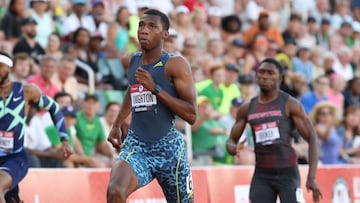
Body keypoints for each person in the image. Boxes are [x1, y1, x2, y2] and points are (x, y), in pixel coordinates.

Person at [107, 9, 197, 203]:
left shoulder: (176, 64)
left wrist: (155, 88)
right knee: (115, 191)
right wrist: (117, 124)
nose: (144, 30)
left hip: (170, 150)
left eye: (152, 26)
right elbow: (132, 90)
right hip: (136, 147)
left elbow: (191, 115)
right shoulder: (129, 61)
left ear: (165, 34)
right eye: (141, 25)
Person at [226, 58, 322, 203]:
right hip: (262, 175)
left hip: (287, 173)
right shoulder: (247, 108)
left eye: (270, 73)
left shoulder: (290, 104)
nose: (265, 76)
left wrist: (312, 176)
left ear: (280, 78)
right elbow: (231, 141)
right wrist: (233, 148)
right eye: (261, 72)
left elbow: (312, 139)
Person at [0, 52, 72, 203]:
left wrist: (64, 139)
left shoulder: (26, 91)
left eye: (0, 66)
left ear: (10, 69)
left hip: (15, 156)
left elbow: (54, 107)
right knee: (11, 199)